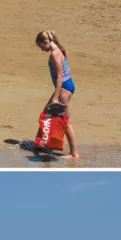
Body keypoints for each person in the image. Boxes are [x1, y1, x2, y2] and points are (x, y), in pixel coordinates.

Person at [34, 30, 80, 158]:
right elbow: (67, 69)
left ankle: (74, 153)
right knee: (47, 114)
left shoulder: (54, 53)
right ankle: (43, 144)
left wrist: (56, 96)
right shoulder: (59, 50)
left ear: (46, 42)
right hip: (67, 85)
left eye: (41, 46)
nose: (42, 50)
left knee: (65, 122)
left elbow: (59, 75)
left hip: (63, 88)